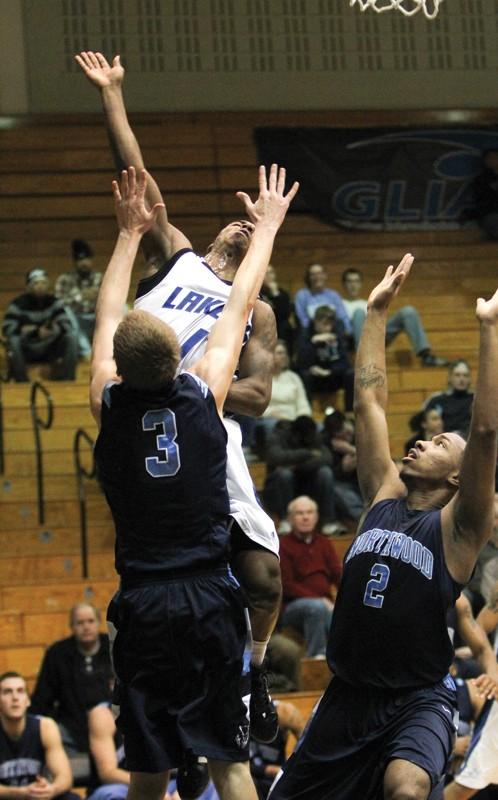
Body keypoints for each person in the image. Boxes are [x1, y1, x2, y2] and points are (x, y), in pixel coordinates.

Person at [76, 50, 286, 743]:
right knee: (148, 554)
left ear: (261, 260)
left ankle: (251, 677)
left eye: (255, 230)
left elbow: (255, 392)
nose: (241, 225)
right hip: (140, 409)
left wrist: (204, 382)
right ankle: (137, 659)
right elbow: (135, 173)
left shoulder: (253, 309)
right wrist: (112, 96)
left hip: (202, 421)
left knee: (264, 579)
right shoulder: (183, 254)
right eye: (239, 221)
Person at [90, 164, 297, 800]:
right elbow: (238, 305)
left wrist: (127, 237)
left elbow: (104, 318)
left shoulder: (106, 402)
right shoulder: (205, 395)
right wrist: (266, 230)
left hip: (144, 596)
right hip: (206, 593)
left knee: (147, 768)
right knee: (230, 762)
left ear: (117, 369)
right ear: (179, 357)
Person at [269, 253, 498, 800]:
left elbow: (486, 432)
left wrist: (488, 331)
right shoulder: (383, 494)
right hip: (348, 693)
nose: (420, 440)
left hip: (418, 697)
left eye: (440, 442)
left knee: (407, 787)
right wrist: (374, 314)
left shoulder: (460, 528)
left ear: (460, 479)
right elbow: (368, 400)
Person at [87, 702, 217, 800]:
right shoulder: (103, 715)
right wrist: (159, 791)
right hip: (120, 785)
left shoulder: (177, 710)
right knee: (113, 795)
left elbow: (202, 760)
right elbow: (108, 773)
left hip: (171, 783)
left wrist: (183, 792)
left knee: (210, 789)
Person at [30, 604, 112, 755]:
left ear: (99, 622)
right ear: (71, 626)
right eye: (80, 623)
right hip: (70, 728)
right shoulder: (57, 653)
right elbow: (43, 698)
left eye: (90, 621)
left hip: (111, 727)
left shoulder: (113, 648)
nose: (86, 627)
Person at [341, 266, 448, 367]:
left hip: (374, 336)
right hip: (352, 340)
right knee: (359, 313)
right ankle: (363, 358)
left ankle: (426, 356)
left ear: (360, 284)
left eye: (356, 281)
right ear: (344, 284)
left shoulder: (368, 302)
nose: (353, 285)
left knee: (408, 311)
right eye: (350, 281)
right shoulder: (340, 304)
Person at [278, 495, 342, 658]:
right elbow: (286, 585)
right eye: (300, 513)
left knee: (348, 611)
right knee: (316, 608)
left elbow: (337, 574)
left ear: (316, 517)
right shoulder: (283, 545)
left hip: (325, 604)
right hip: (293, 608)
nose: (305, 517)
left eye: (309, 512)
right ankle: (317, 657)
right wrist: (319, 599)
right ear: (291, 519)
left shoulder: (324, 543)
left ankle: (340, 657)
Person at [263, 415, 346, 536]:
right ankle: (285, 520)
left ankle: (329, 521)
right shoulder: (279, 435)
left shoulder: (313, 435)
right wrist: (308, 453)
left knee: (325, 472)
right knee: (284, 474)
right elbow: (275, 457)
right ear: (295, 434)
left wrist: (296, 466)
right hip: (279, 487)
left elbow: (327, 458)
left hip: (307, 482)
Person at [0, 671, 77, 800]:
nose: (15, 697)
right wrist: (22, 793)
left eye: (20, 691)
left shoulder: (45, 727)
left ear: (28, 700)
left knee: (70, 798)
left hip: (36, 795)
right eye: (7, 692)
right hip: (8, 797)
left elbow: (65, 777)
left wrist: (51, 790)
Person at [2, 269, 78, 382]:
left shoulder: (54, 302)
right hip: (28, 349)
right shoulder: (17, 304)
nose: (40, 286)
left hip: (50, 348)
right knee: (13, 340)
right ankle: (21, 381)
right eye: (36, 283)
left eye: (43, 283)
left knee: (71, 336)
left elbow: (66, 324)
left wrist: (53, 330)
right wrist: (35, 331)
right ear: (29, 286)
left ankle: (67, 379)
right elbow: (7, 328)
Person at [253, 340, 311, 458]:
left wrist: (303, 418)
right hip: (273, 420)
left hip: (294, 420)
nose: (283, 356)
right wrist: (270, 413)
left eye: (285, 353)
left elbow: (302, 403)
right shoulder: (261, 378)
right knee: (270, 427)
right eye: (279, 353)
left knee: (317, 427)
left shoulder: (293, 377)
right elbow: (255, 405)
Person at [296, 305, 354, 411]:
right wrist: (313, 342)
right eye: (324, 324)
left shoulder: (336, 334)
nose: (328, 328)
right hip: (315, 378)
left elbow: (345, 363)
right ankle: (307, 412)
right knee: (304, 375)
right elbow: (301, 362)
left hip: (332, 375)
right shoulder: (306, 334)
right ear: (316, 322)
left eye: (330, 324)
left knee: (351, 375)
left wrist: (330, 371)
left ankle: (349, 411)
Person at [55, 239, 102, 359]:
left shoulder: (100, 277)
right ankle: (87, 352)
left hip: (96, 318)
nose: (84, 263)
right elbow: (58, 304)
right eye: (80, 260)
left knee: (123, 308)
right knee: (65, 313)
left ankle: (115, 351)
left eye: (86, 259)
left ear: (91, 260)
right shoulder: (64, 279)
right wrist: (81, 297)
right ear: (75, 262)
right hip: (76, 320)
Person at [249, 700, 305, 800]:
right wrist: (269, 770)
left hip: (275, 779)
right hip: (249, 774)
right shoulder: (236, 715)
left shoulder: (285, 713)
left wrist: (291, 765)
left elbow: (305, 746)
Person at [294, 263, 351, 333]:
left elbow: (342, 317)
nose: (317, 277)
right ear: (309, 277)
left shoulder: (334, 295)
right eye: (313, 274)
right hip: (311, 333)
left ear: (325, 275)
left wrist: (348, 331)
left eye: (319, 273)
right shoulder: (302, 295)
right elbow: (302, 320)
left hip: (334, 333)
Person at [423, 360, 474, 437]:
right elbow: (425, 425)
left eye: (465, 375)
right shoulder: (436, 400)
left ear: (469, 379)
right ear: (450, 378)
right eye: (457, 375)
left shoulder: (477, 399)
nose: (461, 379)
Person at [261, 266, 294, 354]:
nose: (268, 276)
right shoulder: (256, 293)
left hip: (279, 328)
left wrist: (275, 294)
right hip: (261, 328)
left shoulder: (281, 294)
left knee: (285, 325)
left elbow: (284, 315)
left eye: (271, 273)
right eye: (265, 273)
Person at [469, 148, 498, 240]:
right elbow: (482, 201)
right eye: (489, 158)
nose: (492, 160)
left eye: (495, 157)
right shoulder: (481, 179)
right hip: (491, 214)